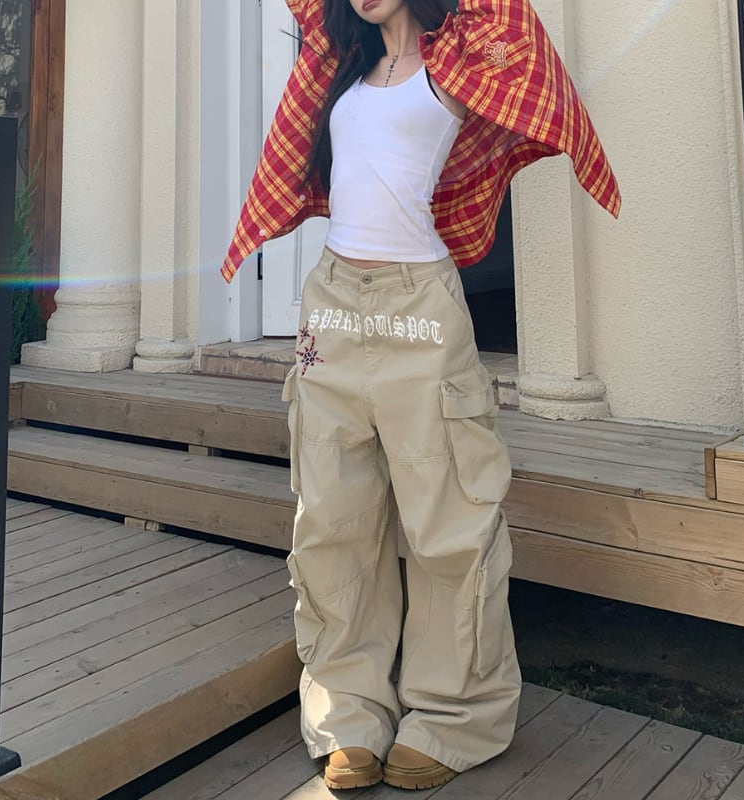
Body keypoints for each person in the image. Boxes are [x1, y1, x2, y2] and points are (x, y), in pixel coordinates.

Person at [222, 0, 619, 790]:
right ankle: (348, 714)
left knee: (449, 518)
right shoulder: (334, 66)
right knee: (332, 518)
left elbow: (516, 29)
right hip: (333, 304)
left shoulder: (461, 59)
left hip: (420, 307)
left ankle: (452, 715)